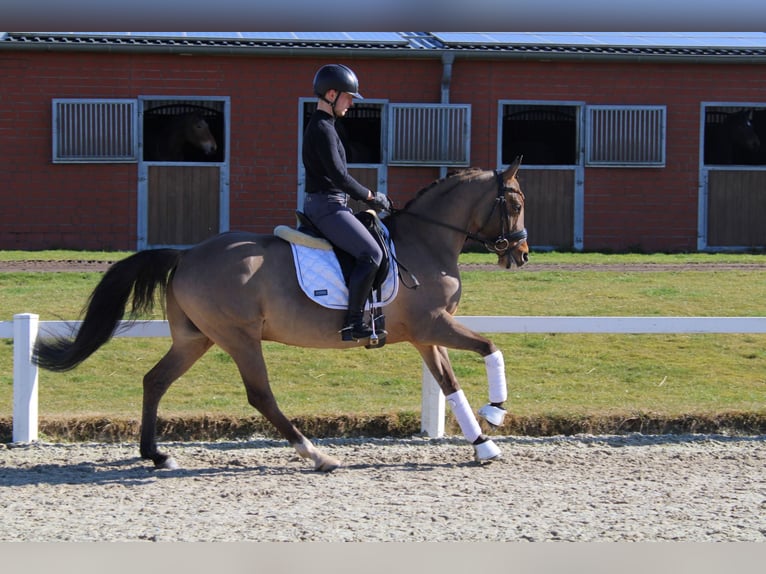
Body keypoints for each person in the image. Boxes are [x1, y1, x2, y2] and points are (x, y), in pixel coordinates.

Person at [302, 63, 392, 341]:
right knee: (372, 254)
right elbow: (340, 176)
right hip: (327, 206)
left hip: (331, 203)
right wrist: (371, 196)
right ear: (331, 94)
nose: (351, 103)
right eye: (349, 97)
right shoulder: (323, 129)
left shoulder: (326, 126)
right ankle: (353, 322)